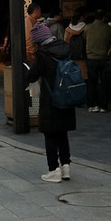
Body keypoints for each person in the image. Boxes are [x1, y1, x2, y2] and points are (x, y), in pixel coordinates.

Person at [25, 22, 75, 183]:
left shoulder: (43, 54)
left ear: (39, 41)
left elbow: (32, 76)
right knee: (62, 132)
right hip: (66, 97)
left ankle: (53, 169)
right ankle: (66, 166)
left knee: (50, 133)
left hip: (51, 98)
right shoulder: (65, 49)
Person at [83, 10, 111, 113]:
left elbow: (84, 39)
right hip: (104, 58)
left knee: (92, 82)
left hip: (91, 58)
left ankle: (92, 104)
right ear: (103, 17)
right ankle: (103, 105)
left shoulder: (87, 28)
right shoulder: (108, 28)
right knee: (104, 83)